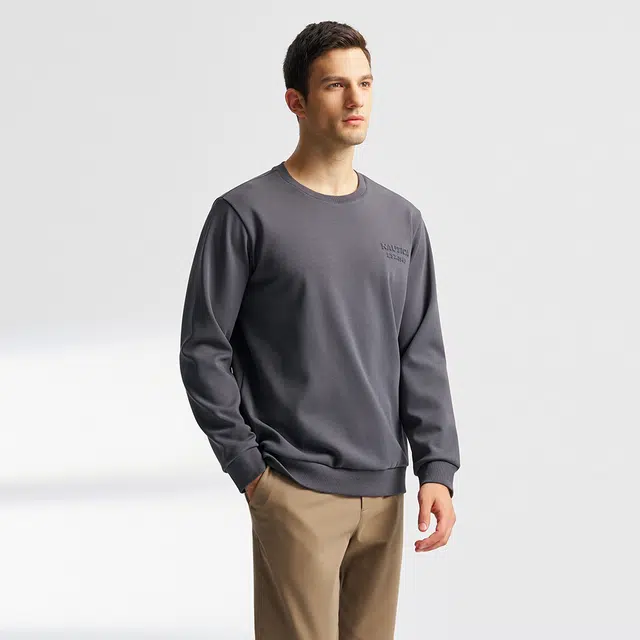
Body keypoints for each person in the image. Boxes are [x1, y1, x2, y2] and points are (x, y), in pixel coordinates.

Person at [179, 20, 461, 640]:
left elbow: (420, 351)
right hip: (293, 485)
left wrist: (436, 468)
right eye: (335, 85)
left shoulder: (401, 220)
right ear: (297, 102)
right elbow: (203, 350)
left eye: (365, 83)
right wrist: (251, 472)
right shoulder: (244, 214)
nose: (356, 99)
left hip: (385, 491)